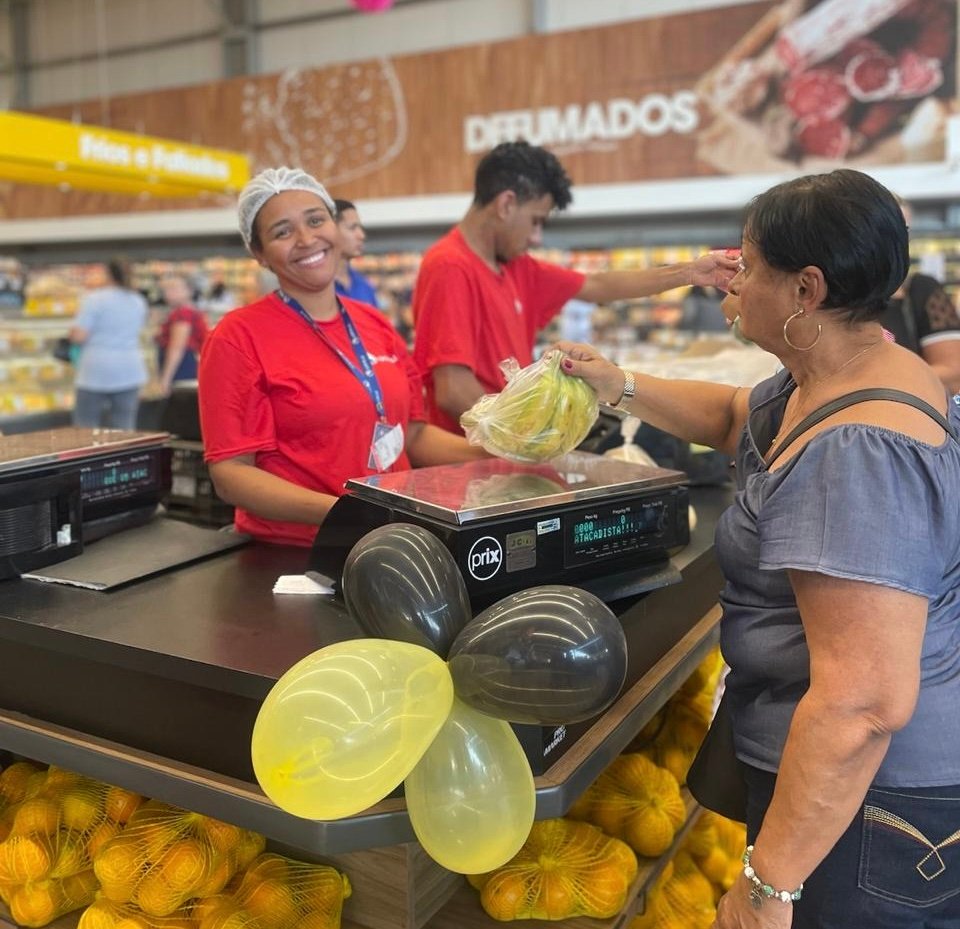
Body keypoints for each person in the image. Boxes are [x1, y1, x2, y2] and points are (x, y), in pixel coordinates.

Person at [557, 169, 960, 929]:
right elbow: (734, 413)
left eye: (747, 265)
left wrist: (768, 887)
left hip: (869, 815)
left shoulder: (857, 452)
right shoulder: (843, 369)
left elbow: (864, 702)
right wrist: (617, 383)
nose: (731, 280)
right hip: (848, 798)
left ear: (805, 289)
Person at [197, 167, 483, 547]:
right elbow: (231, 475)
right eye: (282, 231)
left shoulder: (374, 324)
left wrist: (504, 454)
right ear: (259, 254)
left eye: (316, 220)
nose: (306, 239)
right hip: (297, 554)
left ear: (335, 226)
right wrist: (346, 513)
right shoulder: (237, 337)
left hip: (392, 541)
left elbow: (412, 435)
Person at [411, 140, 738, 434]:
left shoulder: (515, 265)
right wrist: (528, 436)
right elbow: (453, 390)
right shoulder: (450, 266)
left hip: (501, 453)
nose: (536, 237)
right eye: (536, 220)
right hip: (468, 460)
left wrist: (691, 272)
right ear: (506, 204)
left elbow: (598, 284)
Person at [881, 203, 960, 393]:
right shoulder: (840, 293)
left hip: (912, 411)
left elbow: (952, 371)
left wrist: (878, 386)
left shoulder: (922, 289)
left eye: (905, 231)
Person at [69, 256, 148, 430]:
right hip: (130, 368)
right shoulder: (137, 300)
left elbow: (79, 336)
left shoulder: (94, 299)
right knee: (124, 428)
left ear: (107, 274)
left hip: (96, 369)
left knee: (85, 428)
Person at [155, 273, 209, 396]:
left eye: (174, 288)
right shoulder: (189, 311)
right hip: (187, 363)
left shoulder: (183, 314)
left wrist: (165, 378)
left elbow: (176, 348)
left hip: (182, 366)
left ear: (189, 291)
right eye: (166, 289)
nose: (168, 293)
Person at [333, 198, 380, 308]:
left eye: (360, 228)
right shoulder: (318, 290)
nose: (362, 236)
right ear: (331, 230)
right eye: (352, 228)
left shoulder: (364, 285)